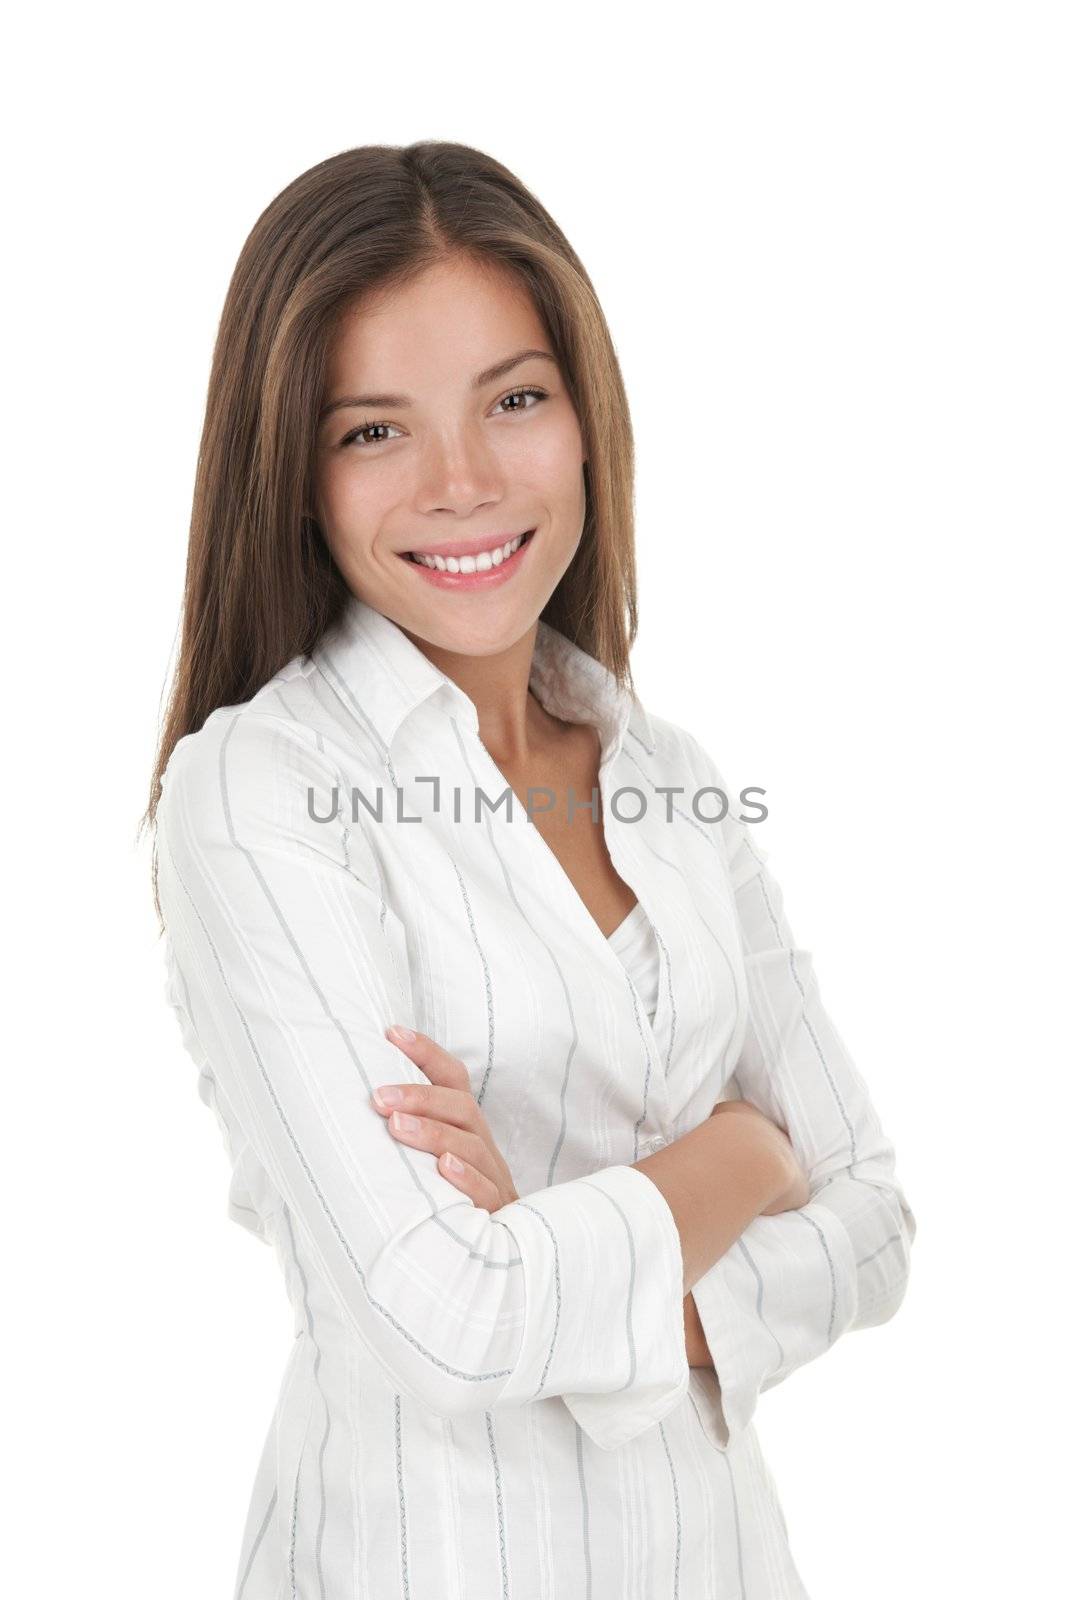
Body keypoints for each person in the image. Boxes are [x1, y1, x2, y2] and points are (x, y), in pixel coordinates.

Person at [145, 140, 916, 1600]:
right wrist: (741, 1158)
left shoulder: (668, 769)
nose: (464, 482)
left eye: (514, 400)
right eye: (374, 430)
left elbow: (874, 1223)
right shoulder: (264, 791)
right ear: (295, 473)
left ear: (584, 415)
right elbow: (453, 1319)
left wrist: (559, 1259)